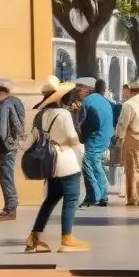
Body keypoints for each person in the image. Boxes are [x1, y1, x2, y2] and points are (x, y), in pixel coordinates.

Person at [24, 77, 89, 253]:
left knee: (50, 199)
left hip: (49, 164)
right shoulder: (63, 114)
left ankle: (34, 237)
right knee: (71, 199)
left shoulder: (40, 115)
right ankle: (67, 238)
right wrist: (82, 157)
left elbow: (30, 140)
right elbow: (73, 139)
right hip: (66, 162)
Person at [0, 78, 26, 222]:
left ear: (2, 92)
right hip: (8, 145)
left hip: (7, 146)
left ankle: (11, 208)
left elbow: (15, 123)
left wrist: (13, 141)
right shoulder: (8, 103)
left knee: (6, 176)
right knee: (4, 175)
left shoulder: (6, 105)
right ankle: (8, 207)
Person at [114, 77, 139, 206]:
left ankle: (134, 197)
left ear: (132, 91)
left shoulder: (129, 104)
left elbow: (122, 124)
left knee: (132, 168)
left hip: (132, 138)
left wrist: (118, 138)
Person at [75, 77, 113, 208]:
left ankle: (94, 196)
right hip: (105, 137)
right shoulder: (105, 101)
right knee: (97, 165)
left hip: (95, 138)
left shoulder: (88, 101)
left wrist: (82, 138)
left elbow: (89, 122)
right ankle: (102, 195)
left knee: (89, 165)